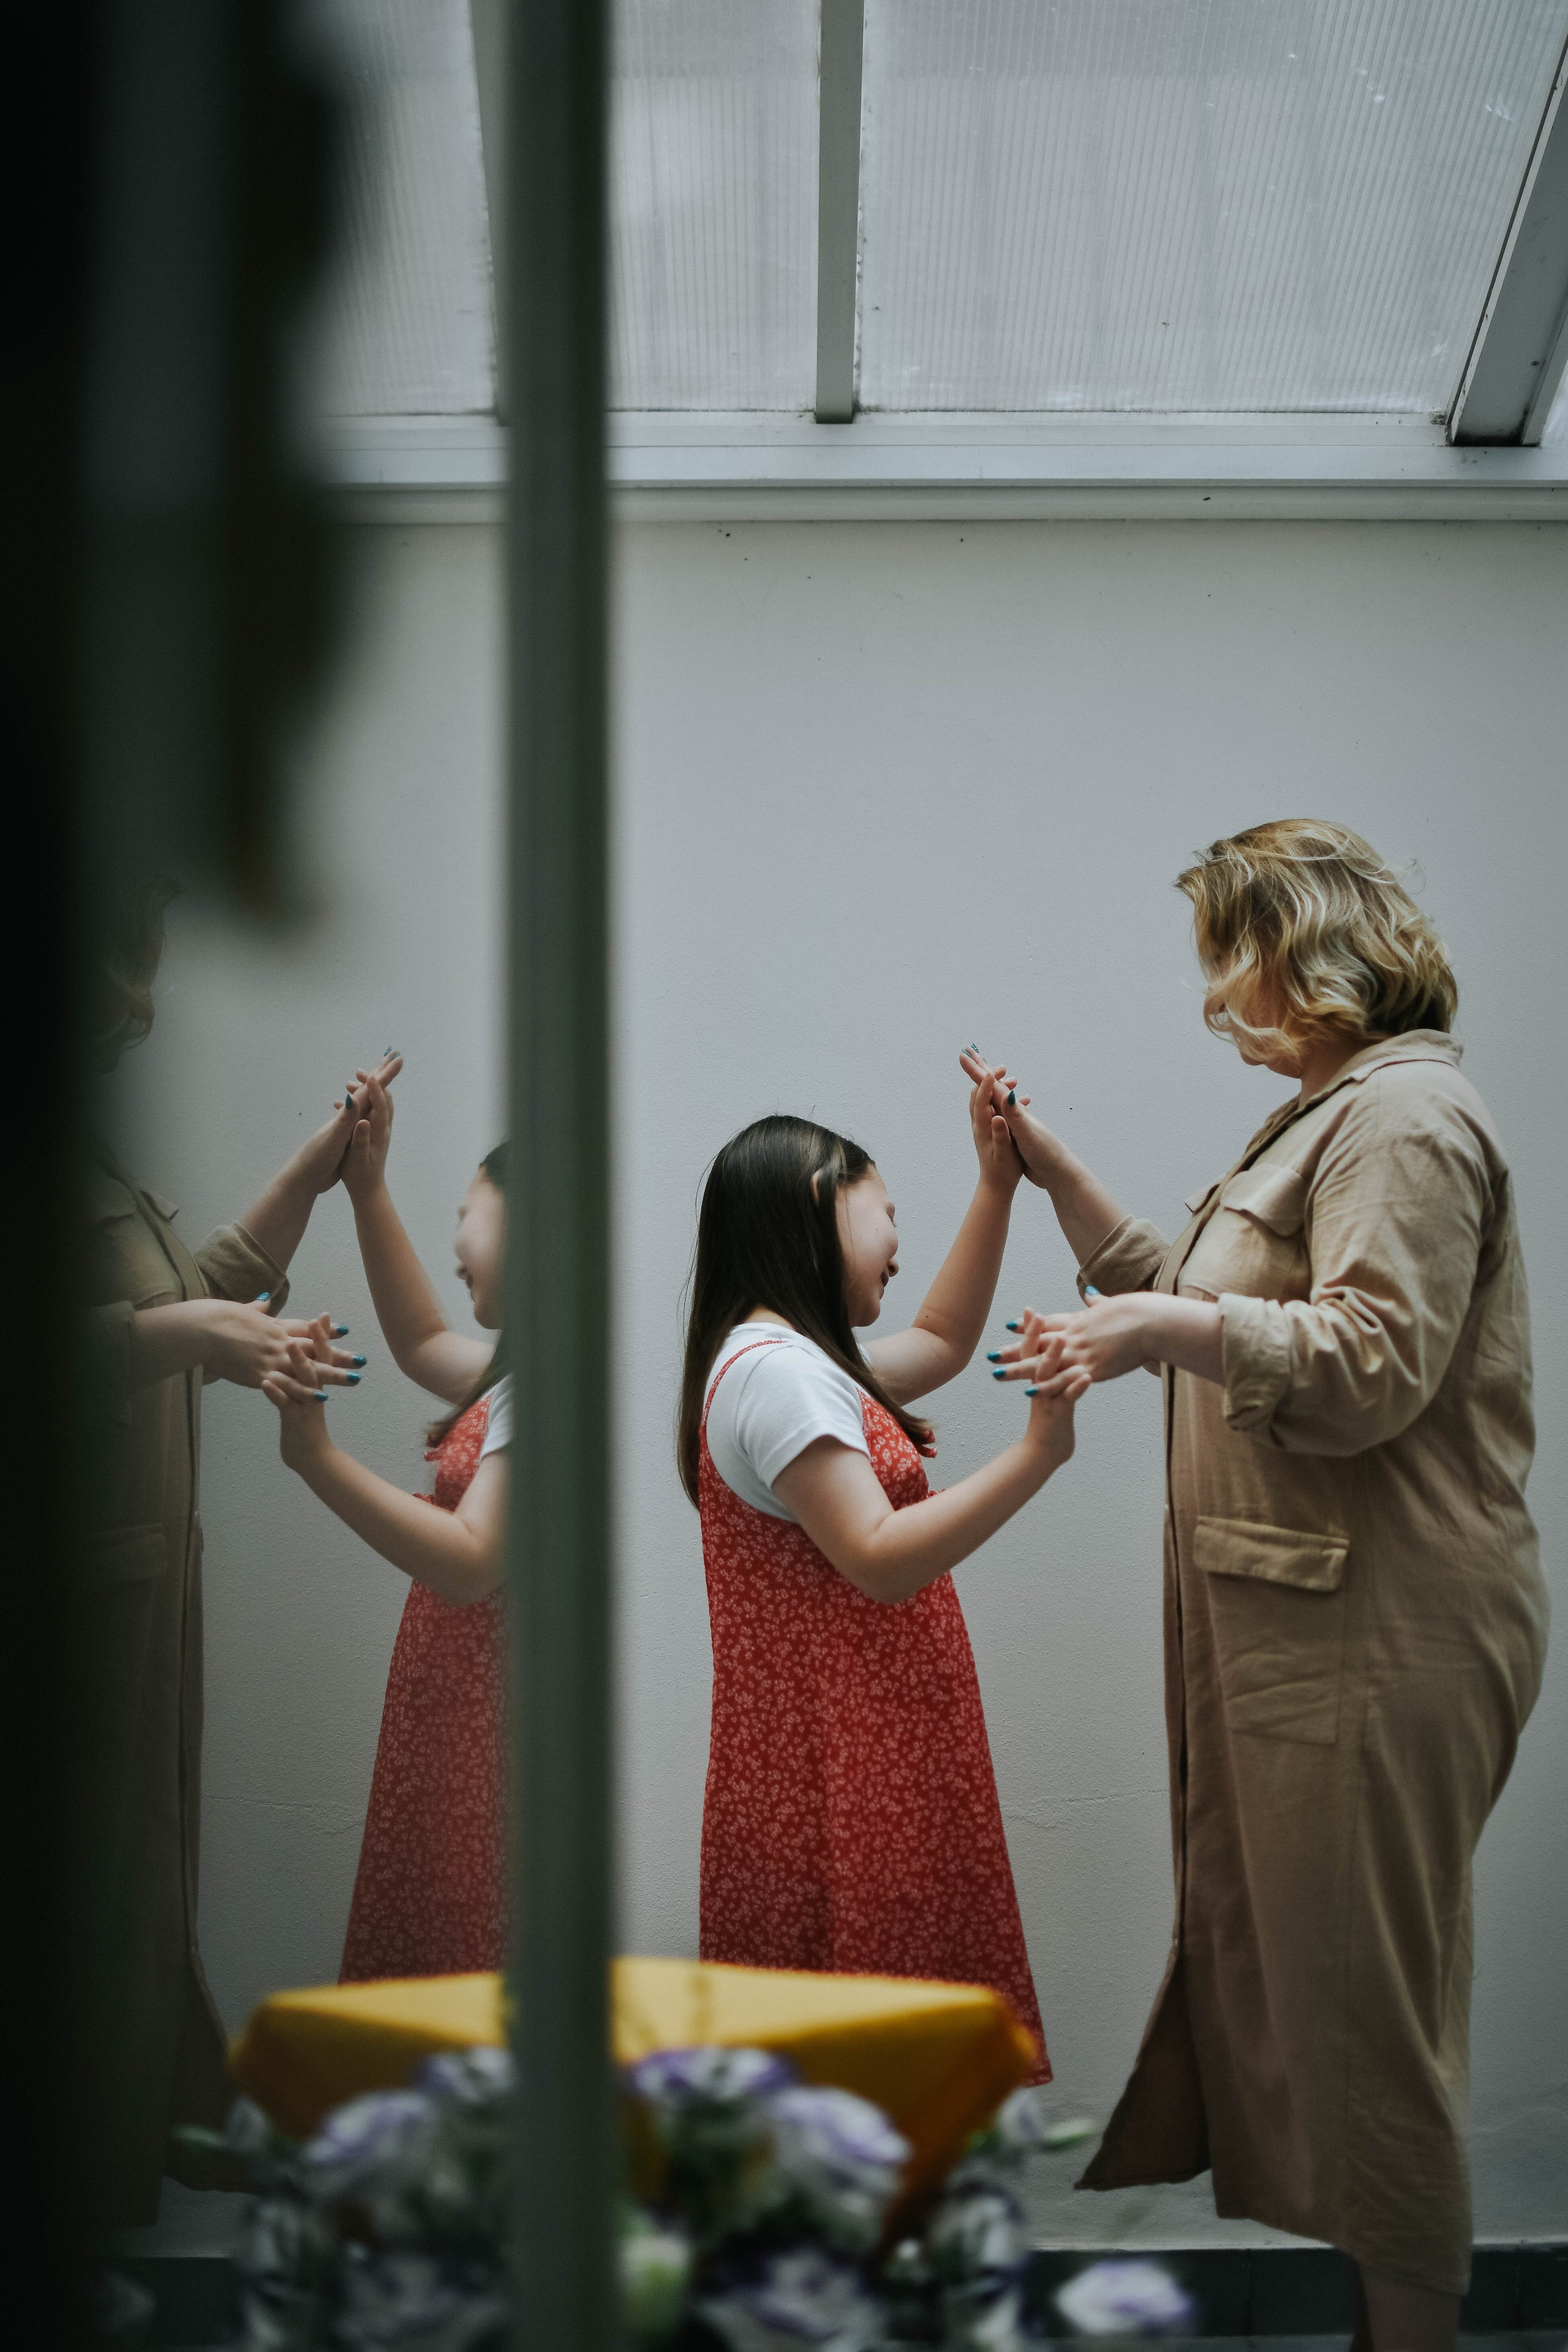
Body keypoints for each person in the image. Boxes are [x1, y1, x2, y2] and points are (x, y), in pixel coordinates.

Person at [980, 820, 1547, 2348]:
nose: (1214, 994)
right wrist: (1054, 1179)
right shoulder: (1327, 1114)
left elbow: (1367, 1364)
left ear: (1297, 951)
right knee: (1331, 2000)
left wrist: (1147, 1339)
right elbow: (1217, 1286)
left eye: (1223, 955)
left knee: (1368, 2025)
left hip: (1381, 1626)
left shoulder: (1402, 1120)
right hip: (1321, 1614)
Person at [677, 1081, 1089, 2080]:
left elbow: (945, 1339)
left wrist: (998, 1184)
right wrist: (1039, 1455)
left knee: (874, 2072)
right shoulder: (776, 1372)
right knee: (866, 2072)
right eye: (888, 1211)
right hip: (846, 1778)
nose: (900, 1241)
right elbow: (877, 1557)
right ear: (821, 1200)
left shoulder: (795, 1361)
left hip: (868, 1762)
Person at [78, 876, 382, 2222]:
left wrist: (316, 1173)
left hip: (134, 1584)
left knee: (134, 1894)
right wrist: (187, 1340)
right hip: (73, 1600)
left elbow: (188, 1296)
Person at [262, 1061, 510, 1980]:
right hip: (463, 1712)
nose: (455, 1234)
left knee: (455, 1962)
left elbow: (472, 1562)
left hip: (482, 1733)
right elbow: (415, 1339)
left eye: (467, 1213)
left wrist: (317, 1459)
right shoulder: (525, 1373)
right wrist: (366, 1187)